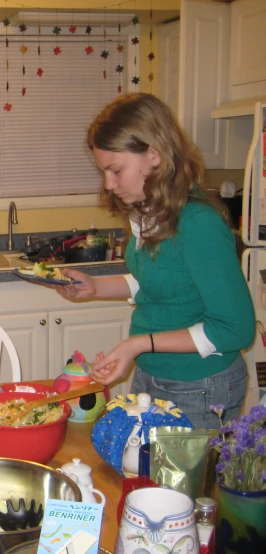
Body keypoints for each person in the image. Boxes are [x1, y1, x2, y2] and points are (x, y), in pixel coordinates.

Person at [57, 92, 255, 429]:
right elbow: (161, 281)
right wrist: (95, 288)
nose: (109, 184)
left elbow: (235, 329)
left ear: (154, 154)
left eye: (115, 170)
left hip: (201, 386)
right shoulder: (149, 212)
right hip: (153, 375)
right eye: (104, 171)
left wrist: (137, 344)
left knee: (176, 483)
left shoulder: (197, 222)